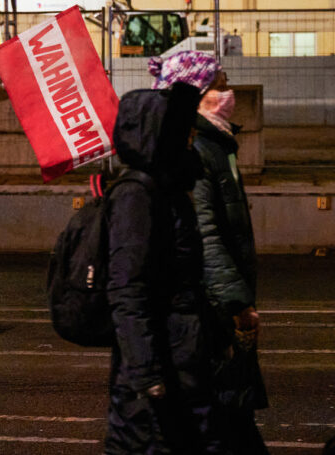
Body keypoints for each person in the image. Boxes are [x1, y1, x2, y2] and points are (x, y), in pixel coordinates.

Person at [104, 52, 225, 453]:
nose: (190, 135)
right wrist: (147, 376)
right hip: (154, 378)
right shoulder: (137, 194)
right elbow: (127, 291)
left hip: (183, 361)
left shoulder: (171, 184)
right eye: (181, 130)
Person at [185, 60, 269, 453]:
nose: (229, 91)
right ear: (199, 95)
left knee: (231, 413)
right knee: (225, 411)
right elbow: (207, 233)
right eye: (220, 84)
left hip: (221, 300)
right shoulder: (202, 149)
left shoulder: (220, 143)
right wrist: (237, 301)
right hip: (216, 306)